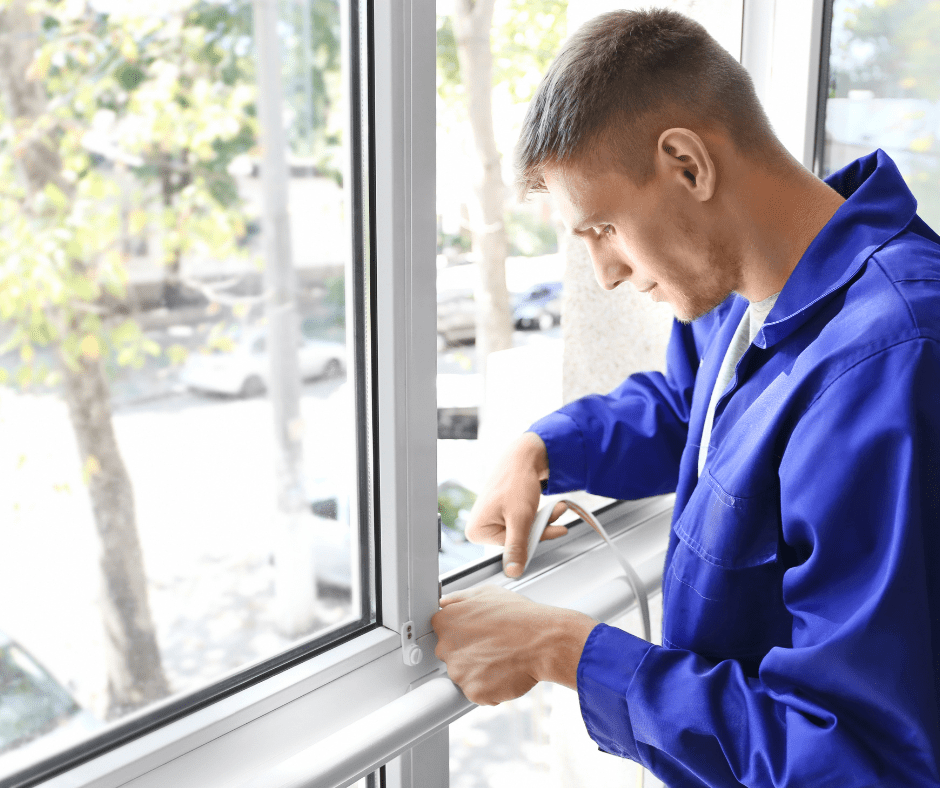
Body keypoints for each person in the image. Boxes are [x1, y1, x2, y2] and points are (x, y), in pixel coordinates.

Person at [431, 8, 940, 787]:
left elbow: (859, 760)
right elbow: (689, 411)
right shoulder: (750, 292)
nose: (603, 272)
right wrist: (544, 449)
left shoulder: (890, 367)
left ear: (687, 165)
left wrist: (561, 650)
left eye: (602, 225)